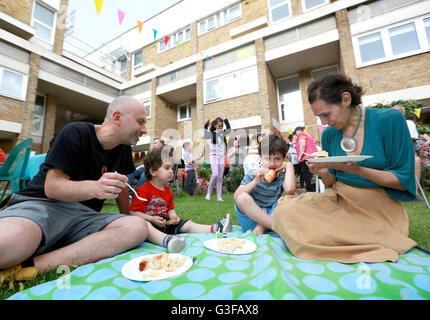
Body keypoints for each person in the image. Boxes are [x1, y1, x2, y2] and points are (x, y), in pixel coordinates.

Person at [0, 96, 161, 280]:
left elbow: (121, 185)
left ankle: (29, 268)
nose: (144, 129)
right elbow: (52, 187)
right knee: (8, 245)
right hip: (42, 205)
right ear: (117, 117)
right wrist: (96, 188)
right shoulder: (75, 132)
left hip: (83, 217)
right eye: (140, 122)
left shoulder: (123, 149)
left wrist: (127, 213)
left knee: (136, 228)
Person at [269, 73, 417, 263]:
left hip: (378, 208)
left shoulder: (389, 120)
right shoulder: (330, 134)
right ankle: (333, 234)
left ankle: (342, 237)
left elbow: (403, 181)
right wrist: (323, 172)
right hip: (339, 200)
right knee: (285, 209)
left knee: (304, 227)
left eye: (326, 114)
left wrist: (358, 170)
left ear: (346, 99)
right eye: (319, 117)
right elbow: (332, 183)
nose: (323, 122)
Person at [129, 147, 232, 236]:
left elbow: (170, 209)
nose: (171, 171)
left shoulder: (167, 191)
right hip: (149, 226)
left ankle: (215, 228)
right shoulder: (143, 190)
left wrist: (173, 216)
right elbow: (134, 213)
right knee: (147, 227)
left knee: (188, 224)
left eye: (172, 168)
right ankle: (167, 240)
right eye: (167, 168)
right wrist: (152, 219)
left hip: (165, 223)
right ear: (153, 171)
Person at [234, 134, 296, 236]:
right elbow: (237, 197)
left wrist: (289, 166)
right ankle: (278, 227)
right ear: (260, 157)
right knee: (243, 197)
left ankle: (264, 225)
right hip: (251, 220)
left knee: (292, 197)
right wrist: (255, 182)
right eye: (267, 158)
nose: (272, 163)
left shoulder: (283, 176)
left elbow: (290, 190)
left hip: (271, 216)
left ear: (284, 158)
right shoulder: (253, 174)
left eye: (277, 159)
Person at [391, 105, 423, 201]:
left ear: (403, 114)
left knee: (416, 160)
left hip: (406, 154)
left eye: (398, 113)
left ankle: (415, 193)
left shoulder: (409, 123)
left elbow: (411, 141)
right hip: (390, 155)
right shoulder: (386, 124)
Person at [204, 116, 231, 202]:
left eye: (221, 126)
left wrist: (225, 120)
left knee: (220, 177)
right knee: (215, 174)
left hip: (221, 157)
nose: (220, 128)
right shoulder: (211, 133)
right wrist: (206, 124)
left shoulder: (222, 133)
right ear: (215, 125)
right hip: (214, 156)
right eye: (219, 126)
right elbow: (205, 132)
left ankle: (219, 197)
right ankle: (208, 193)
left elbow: (229, 129)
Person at [293, 126, 317, 192]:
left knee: (307, 174)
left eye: (295, 133)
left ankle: (311, 189)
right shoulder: (306, 135)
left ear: (298, 131)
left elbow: (302, 146)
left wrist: (299, 157)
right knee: (309, 174)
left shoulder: (302, 135)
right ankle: (311, 188)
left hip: (307, 157)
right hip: (310, 156)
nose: (295, 135)